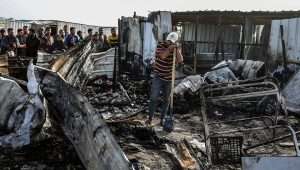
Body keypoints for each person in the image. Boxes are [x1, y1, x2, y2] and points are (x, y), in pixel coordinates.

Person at [146, 32, 183, 126]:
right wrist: (169, 49)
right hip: (158, 76)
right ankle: (150, 118)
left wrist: (177, 50)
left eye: (171, 42)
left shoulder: (176, 48)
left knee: (166, 100)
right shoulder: (160, 45)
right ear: (166, 40)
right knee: (153, 98)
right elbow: (162, 56)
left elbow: (180, 60)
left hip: (169, 78)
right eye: (168, 41)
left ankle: (162, 119)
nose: (169, 43)